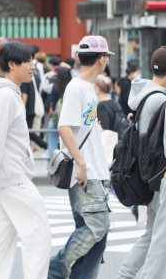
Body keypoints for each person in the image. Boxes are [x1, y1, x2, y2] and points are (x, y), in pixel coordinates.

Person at [0, 42, 52, 279]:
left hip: (6, 176)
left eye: (33, 61)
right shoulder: (6, 96)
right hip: (12, 176)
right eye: (28, 61)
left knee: (1, 239)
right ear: (12, 64)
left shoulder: (5, 94)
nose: (33, 66)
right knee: (39, 236)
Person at [48, 36, 112, 279]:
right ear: (101, 59)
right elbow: (64, 127)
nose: (107, 61)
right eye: (106, 57)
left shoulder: (87, 87)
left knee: (97, 238)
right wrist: (82, 164)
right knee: (97, 226)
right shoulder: (77, 88)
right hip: (85, 172)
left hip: (93, 170)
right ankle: (57, 266)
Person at [115, 46, 166, 279]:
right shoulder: (160, 99)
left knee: (153, 234)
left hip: (147, 172)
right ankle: (127, 274)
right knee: (160, 236)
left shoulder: (144, 93)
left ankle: (125, 274)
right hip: (159, 174)